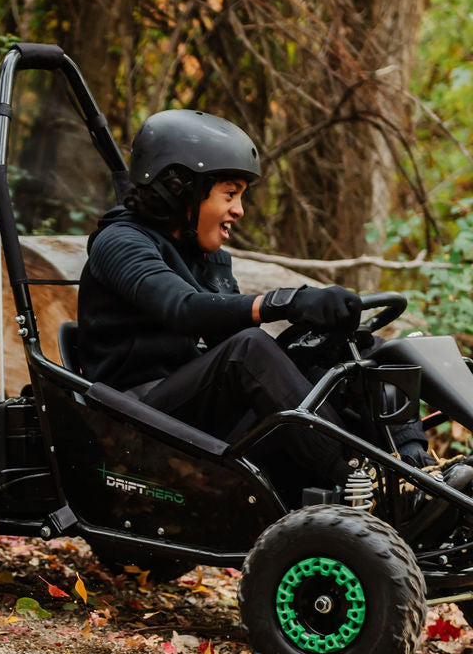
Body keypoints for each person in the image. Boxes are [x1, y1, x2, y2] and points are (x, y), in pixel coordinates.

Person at [76, 108, 429, 499]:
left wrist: (317, 336)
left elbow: (230, 335)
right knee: (249, 350)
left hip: (199, 413)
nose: (239, 211)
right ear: (180, 187)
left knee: (362, 346)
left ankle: (415, 467)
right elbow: (183, 309)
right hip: (135, 419)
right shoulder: (120, 242)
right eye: (230, 194)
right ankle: (357, 481)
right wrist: (285, 302)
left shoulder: (205, 255)